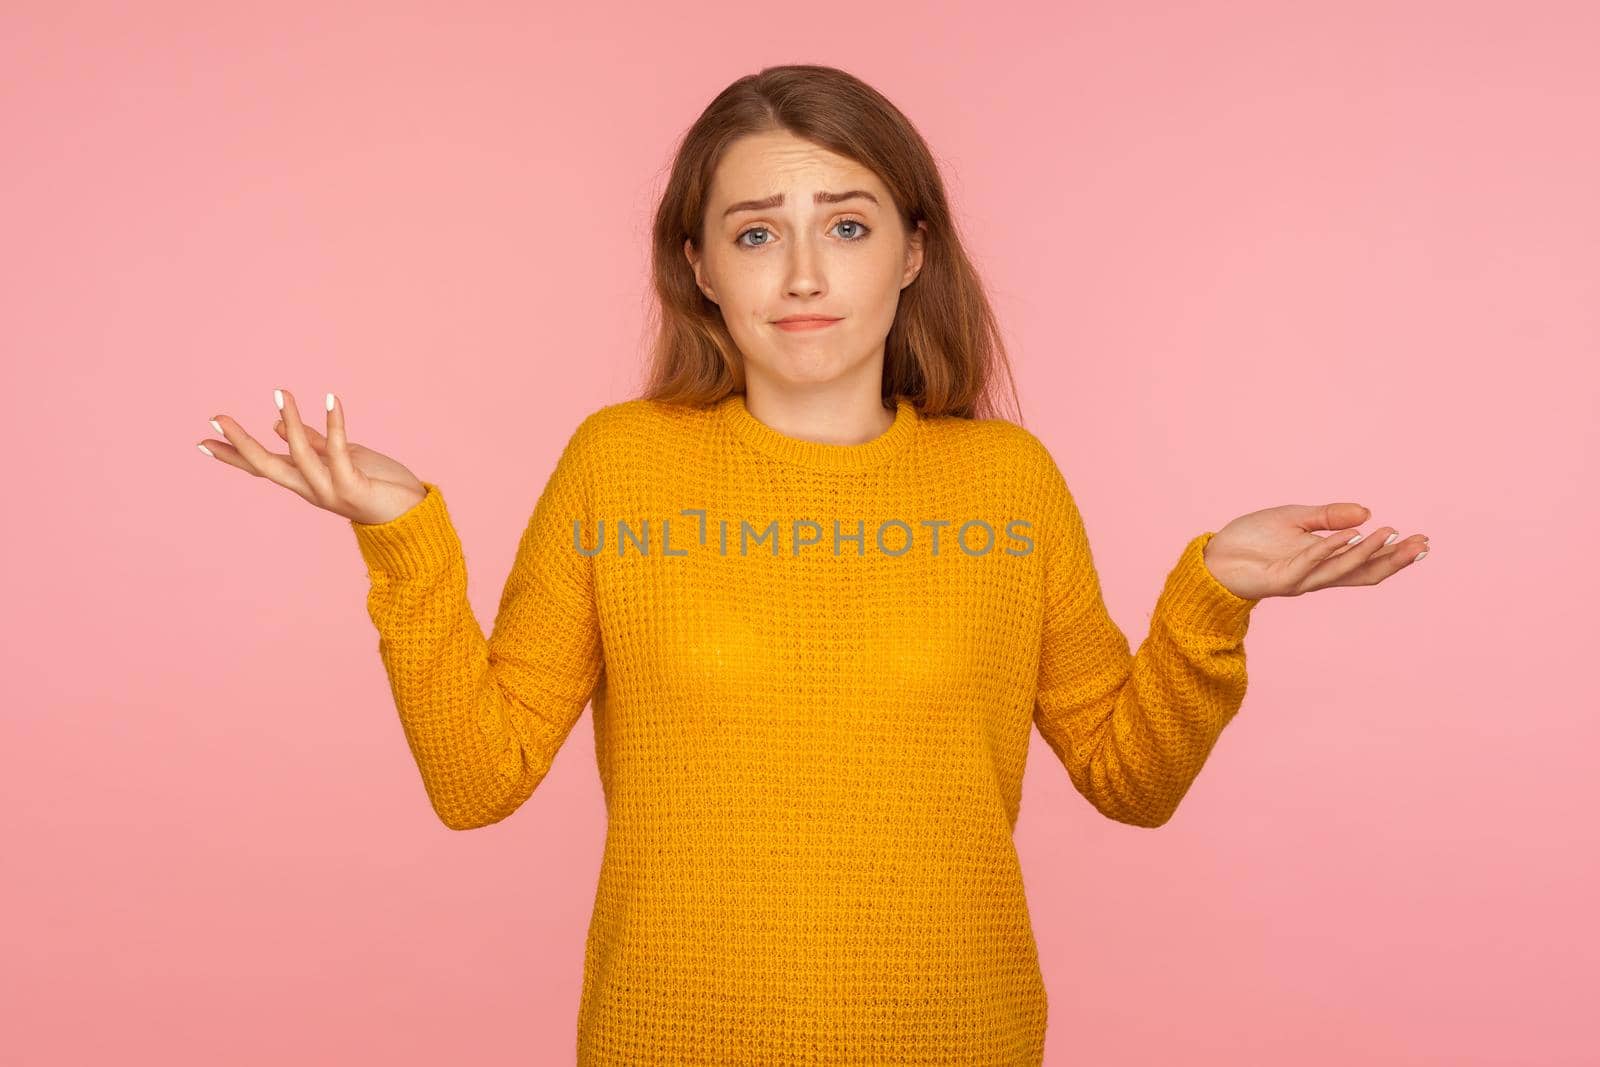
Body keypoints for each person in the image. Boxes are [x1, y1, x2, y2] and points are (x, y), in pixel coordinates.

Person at [196, 63, 1429, 1066]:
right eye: (753, 231)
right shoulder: (619, 466)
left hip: (959, 1042)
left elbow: (1129, 777)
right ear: (699, 266)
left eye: (845, 224)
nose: (800, 273)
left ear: (909, 253)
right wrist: (403, 539)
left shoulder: (1005, 483)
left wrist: (1212, 596)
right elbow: (478, 775)